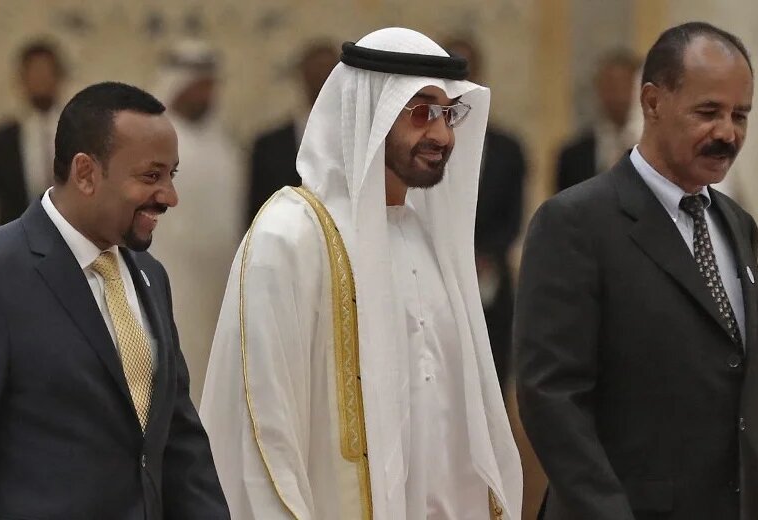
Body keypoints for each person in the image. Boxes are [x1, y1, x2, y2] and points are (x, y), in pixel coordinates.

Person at [200, 28, 522, 520]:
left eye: (448, 114)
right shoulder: (290, 236)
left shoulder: (429, 241)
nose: (442, 136)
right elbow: (262, 430)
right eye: (421, 112)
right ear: (372, 112)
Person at [0, 82, 229, 519]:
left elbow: (180, 448)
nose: (169, 196)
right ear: (85, 173)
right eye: (151, 176)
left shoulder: (150, 276)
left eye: (172, 175)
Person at [515, 22, 758, 520]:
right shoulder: (574, 222)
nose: (727, 133)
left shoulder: (737, 225)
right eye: (708, 112)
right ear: (653, 102)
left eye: (740, 115)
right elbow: (551, 398)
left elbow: (750, 398)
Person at [149, 39, 244, 403]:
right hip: (169, 280)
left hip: (217, 285)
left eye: (210, 86)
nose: (206, 95)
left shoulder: (224, 145)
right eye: (199, 86)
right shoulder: (155, 142)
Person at [445, 36, 527, 392]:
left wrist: (485, 255)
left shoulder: (508, 148)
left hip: (490, 280)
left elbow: (514, 215)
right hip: (436, 275)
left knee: (491, 378)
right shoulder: (423, 143)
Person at [0, 39, 66, 245]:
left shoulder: (82, 137)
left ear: (59, 77)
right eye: (34, 73)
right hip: (17, 250)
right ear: (21, 79)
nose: (40, 80)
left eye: (46, 72)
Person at [246, 40, 337, 224]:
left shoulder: (358, 141)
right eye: (316, 70)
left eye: (329, 71)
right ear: (302, 75)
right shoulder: (269, 146)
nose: (322, 77)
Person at [555, 49, 641, 192]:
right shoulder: (573, 156)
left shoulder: (659, 152)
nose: (618, 95)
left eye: (624, 85)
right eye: (610, 86)